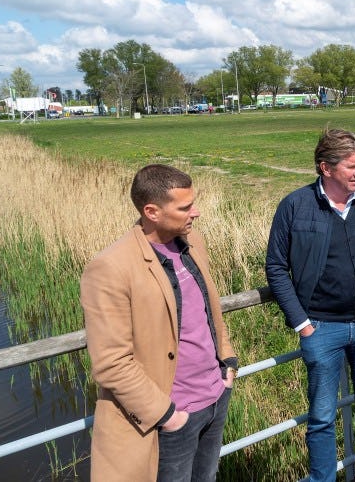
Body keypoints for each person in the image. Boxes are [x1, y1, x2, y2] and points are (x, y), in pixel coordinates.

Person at [81, 164, 238, 481]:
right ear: (152, 212)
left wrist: (228, 362)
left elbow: (209, 309)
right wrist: (168, 416)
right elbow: (111, 362)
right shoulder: (110, 267)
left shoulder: (193, 242)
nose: (196, 213)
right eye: (185, 207)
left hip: (215, 397)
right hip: (171, 416)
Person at [265, 128, 355, 482]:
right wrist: (302, 324)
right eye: (352, 166)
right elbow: (276, 267)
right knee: (322, 417)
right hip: (321, 327)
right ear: (326, 168)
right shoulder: (295, 206)